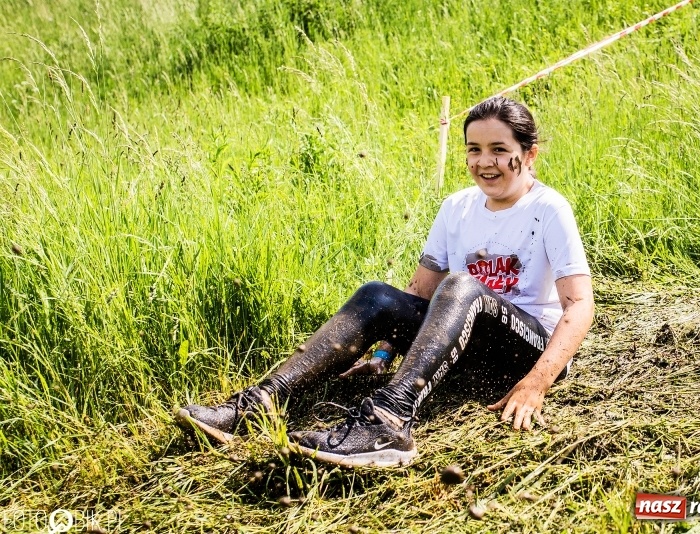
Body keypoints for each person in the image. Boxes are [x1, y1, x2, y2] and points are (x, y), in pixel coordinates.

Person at [176, 96, 594, 467]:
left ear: (529, 154)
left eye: (499, 150)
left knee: (462, 286)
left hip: (521, 350)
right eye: (474, 149)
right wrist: (384, 350)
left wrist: (536, 383)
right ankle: (256, 405)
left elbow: (579, 306)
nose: (484, 162)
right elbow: (418, 294)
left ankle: (388, 422)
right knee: (377, 295)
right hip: (459, 346)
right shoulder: (456, 207)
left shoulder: (549, 209)